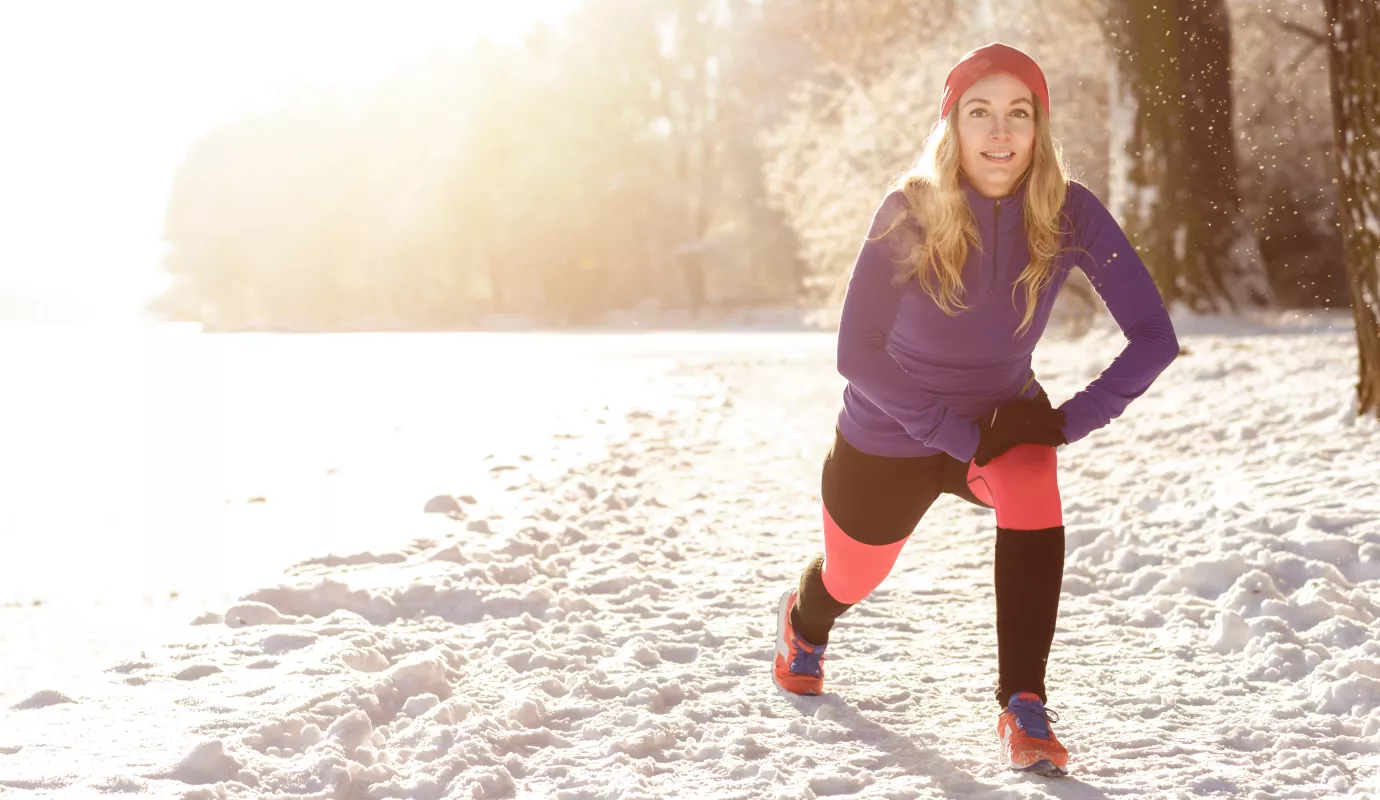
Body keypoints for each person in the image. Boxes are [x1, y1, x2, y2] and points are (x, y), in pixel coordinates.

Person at [771, 42, 1179, 776]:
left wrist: (1067, 421)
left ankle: (1023, 703)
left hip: (1001, 423)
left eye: (1017, 114)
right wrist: (956, 435)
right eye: (979, 113)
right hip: (886, 434)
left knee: (1033, 478)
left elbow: (1154, 337)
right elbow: (857, 353)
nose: (999, 133)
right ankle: (803, 624)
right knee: (850, 579)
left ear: (1039, 128)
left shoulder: (1070, 211)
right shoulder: (909, 211)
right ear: (952, 126)